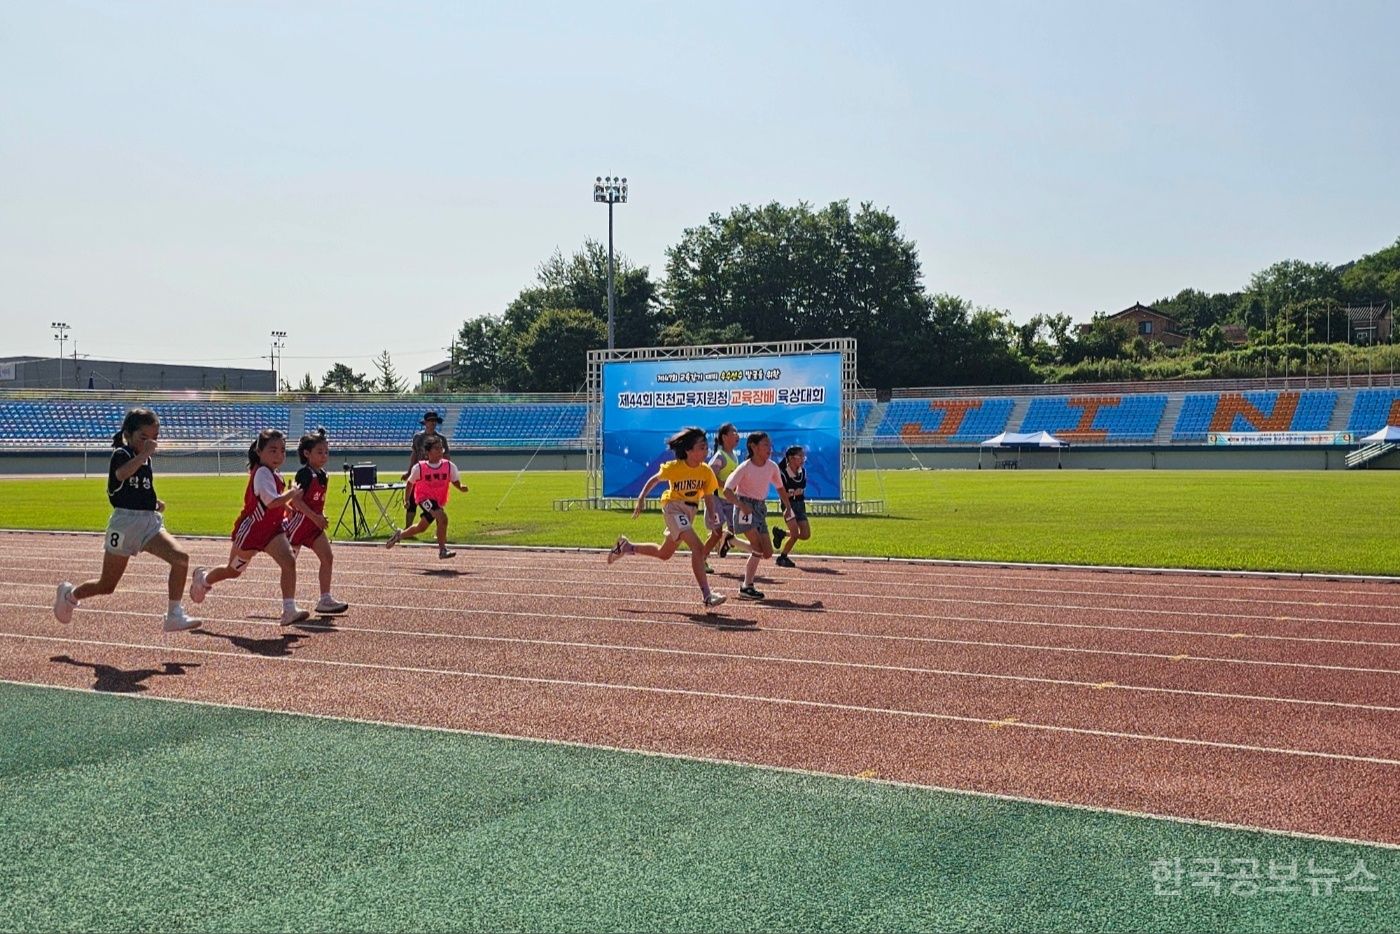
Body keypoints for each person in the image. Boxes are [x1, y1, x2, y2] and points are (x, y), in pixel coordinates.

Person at [53, 407, 200, 632]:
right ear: (128, 435)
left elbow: (136, 488)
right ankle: (70, 595)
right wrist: (143, 455)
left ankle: (174, 614)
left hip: (148, 523)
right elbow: (122, 475)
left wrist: (154, 502)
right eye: (144, 437)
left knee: (180, 558)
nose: (150, 443)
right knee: (107, 585)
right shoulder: (122, 454)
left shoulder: (145, 460)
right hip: (124, 525)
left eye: (155, 438)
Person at [190, 429, 311, 625]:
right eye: (272, 450)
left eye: (282, 450)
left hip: (271, 531)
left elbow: (273, 504)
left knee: (289, 562)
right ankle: (203, 579)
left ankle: (289, 609)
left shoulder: (274, 474)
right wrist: (292, 493)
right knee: (233, 571)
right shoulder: (262, 473)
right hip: (251, 533)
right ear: (259, 451)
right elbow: (271, 502)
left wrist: (288, 508)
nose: (279, 455)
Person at [606, 426, 727, 609]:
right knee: (698, 547)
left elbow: (709, 496)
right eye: (701, 447)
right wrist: (641, 499)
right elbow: (654, 480)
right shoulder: (674, 468)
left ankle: (626, 547)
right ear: (688, 451)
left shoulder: (706, 472)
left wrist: (712, 516)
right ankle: (707, 595)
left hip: (689, 512)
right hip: (673, 508)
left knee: (664, 553)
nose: (706, 450)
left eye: (706, 446)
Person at [721, 431, 796, 600]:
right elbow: (727, 490)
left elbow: (780, 488)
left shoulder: (772, 467)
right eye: (765, 445)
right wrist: (741, 505)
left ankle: (731, 540)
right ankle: (747, 586)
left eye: (770, 445)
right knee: (757, 548)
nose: (769, 448)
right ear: (753, 447)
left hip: (760, 508)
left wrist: (788, 507)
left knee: (767, 553)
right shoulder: (745, 467)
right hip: (744, 507)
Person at [284, 428, 350, 615]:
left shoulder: (323, 475)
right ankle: (288, 605)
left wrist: (321, 517)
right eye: (319, 452)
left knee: (327, 558)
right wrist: (316, 517)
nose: (324, 456)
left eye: (326, 452)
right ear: (307, 453)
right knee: (288, 565)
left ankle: (325, 599)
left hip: (314, 527)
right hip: (298, 527)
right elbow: (296, 501)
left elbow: (316, 501)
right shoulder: (304, 474)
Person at [386, 436, 466, 559]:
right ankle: (442, 550)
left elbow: (454, 480)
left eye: (441, 448)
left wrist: (461, 487)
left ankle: (399, 535)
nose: (440, 451)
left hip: (438, 500)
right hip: (424, 499)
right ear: (428, 452)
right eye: (436, 449)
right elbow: (410, 483)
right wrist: (406, 499)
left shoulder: (449, 466)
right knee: (442, 517)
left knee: (421, 528)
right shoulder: (420, 468)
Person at [701, 423, 745, 569]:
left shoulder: (734, 456)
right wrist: (724, 485)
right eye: (734, 433)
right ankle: (702, 559)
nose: (737, 435)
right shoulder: (720, 456)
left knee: (734, 528)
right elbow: (709, 475)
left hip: (729, 499)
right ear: (724, 437)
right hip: (716, 499)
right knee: (717, 532)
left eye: (737, 433)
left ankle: (721, 542)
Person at [404, 411, 450, 529]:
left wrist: (447, 471)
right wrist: (409, 471)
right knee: (411, 502)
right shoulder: (418, 437)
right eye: (430, 421)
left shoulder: (441, 439)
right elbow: (414, 454)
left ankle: (439, 530)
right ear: (425, 423)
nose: (433, 423)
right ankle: (408, 528)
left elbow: (446, 457)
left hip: (435, 474)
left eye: (434, 421)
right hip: (419, 472)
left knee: (436, 503)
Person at [772, 445, 810, 568]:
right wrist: (793, 494)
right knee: (794, 534)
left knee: (805, 534)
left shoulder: (802, 472)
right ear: (791, 458)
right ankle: (782, 557)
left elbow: (802, 488)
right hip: (788, 504)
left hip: (800, 505)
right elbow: (782, 493)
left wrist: (797, 492)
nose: (803, 458)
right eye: (800, 456)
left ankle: (781, 533)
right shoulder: (782, 473)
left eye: (803, 456)